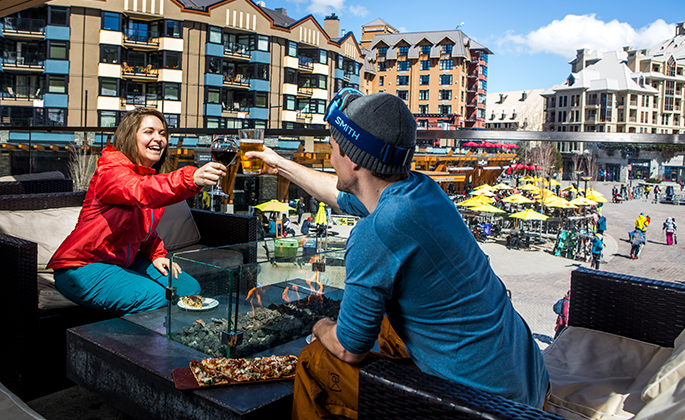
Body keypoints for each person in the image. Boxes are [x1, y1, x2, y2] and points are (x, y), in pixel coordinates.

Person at [246, 90, 549, 418]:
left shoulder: (374, 233)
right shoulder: (422, 191)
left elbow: (349, 350)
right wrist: (278, 164)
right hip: (531, 388)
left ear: (353, 160)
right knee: (390, 325)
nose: (329, 157)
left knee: (316, 359)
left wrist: (319, 326)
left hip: (482, 408)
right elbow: (339, 194)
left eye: (332, 147)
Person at [49, 107, 225, 314]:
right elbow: (138, 189)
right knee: (160, 297)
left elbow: (145, 229)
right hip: (83, 266)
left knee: (189, 289)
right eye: (149, 132)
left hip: (126, 261)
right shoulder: (111, 171)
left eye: (162, 134)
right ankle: (142, 344)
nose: (158, 139)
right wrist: (190, 179)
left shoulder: (149, 177)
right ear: (129, 136)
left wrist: (156, 254)